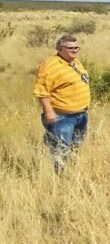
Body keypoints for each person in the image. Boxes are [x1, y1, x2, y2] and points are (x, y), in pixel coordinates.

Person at [33, 34, 91, 174]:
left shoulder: (75, 62)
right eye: (71, 48)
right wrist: (49, 112)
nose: (75, 50)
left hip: (81, 114)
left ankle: (70, 171)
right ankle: (60, 178)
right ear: (60, 48)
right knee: (61, 148)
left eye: (77, 47)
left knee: (75, 145)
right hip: (62, 116)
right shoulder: (50, 66)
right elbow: (42, 91)